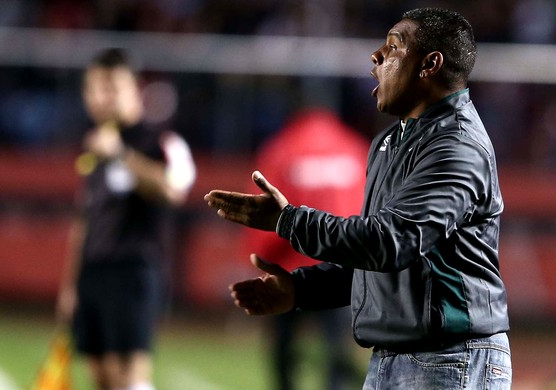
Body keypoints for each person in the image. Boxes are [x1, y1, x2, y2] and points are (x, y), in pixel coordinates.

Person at [204, 8, 512, 389]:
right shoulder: (390, 142)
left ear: (430, 64)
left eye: (394, 47)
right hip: (394, 359)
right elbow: (375, 264)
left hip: (448, 359)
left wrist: (288, 221)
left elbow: (391, 241)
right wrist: (301, 289)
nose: (376, 56)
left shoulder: (456, 146)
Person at [56, 48, 196, 390]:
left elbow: (173, 190)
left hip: (134, 271)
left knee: (129, 376)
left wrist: (120, 154)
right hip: (94, 272)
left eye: (111, 88)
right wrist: (71, 286)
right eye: (93, 89)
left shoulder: (158, 141)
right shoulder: (96, 145)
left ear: (134, 88)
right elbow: (84, 220)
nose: (101, 98)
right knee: (101, 377)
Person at [244, 108, 369, 390]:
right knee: (337, 350)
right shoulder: (353, 148)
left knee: (284, 350)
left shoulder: (282, 148)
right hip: (342, 268)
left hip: (289, 268)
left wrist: (261, 259)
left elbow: (264, 210)